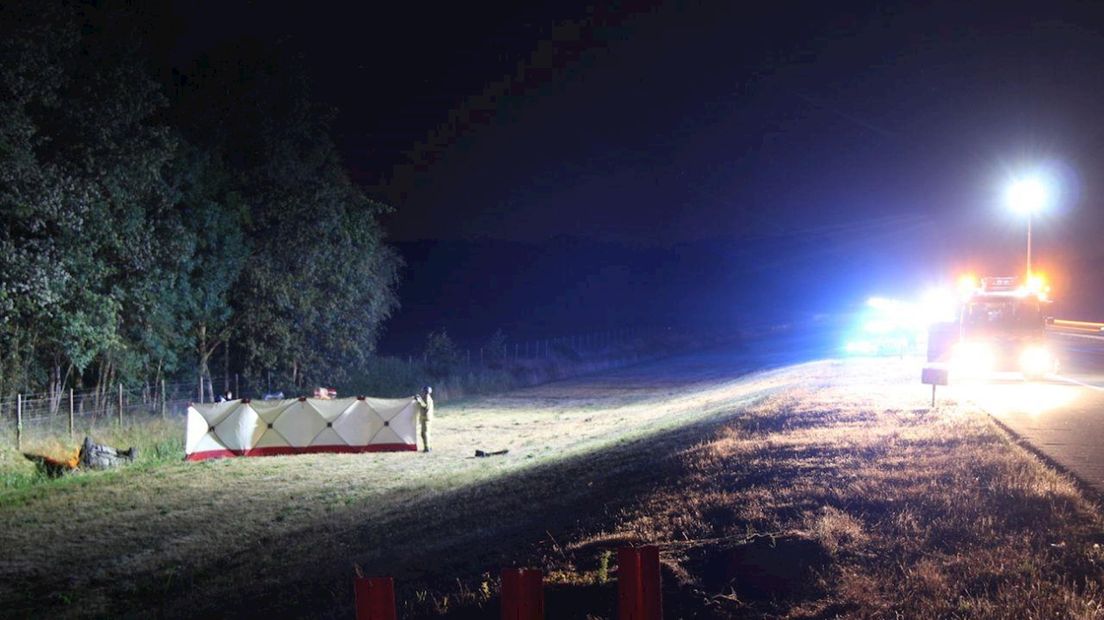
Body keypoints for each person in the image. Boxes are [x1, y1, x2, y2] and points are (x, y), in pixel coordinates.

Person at [413, 386, 434, 452]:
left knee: (424, 433)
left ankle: (427, 448)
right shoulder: (428, 397)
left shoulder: (427, 397)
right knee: (426, 433)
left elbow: (425, 405)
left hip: (426, 418)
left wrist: (418, 400)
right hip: (427, 417)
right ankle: (429, 446)